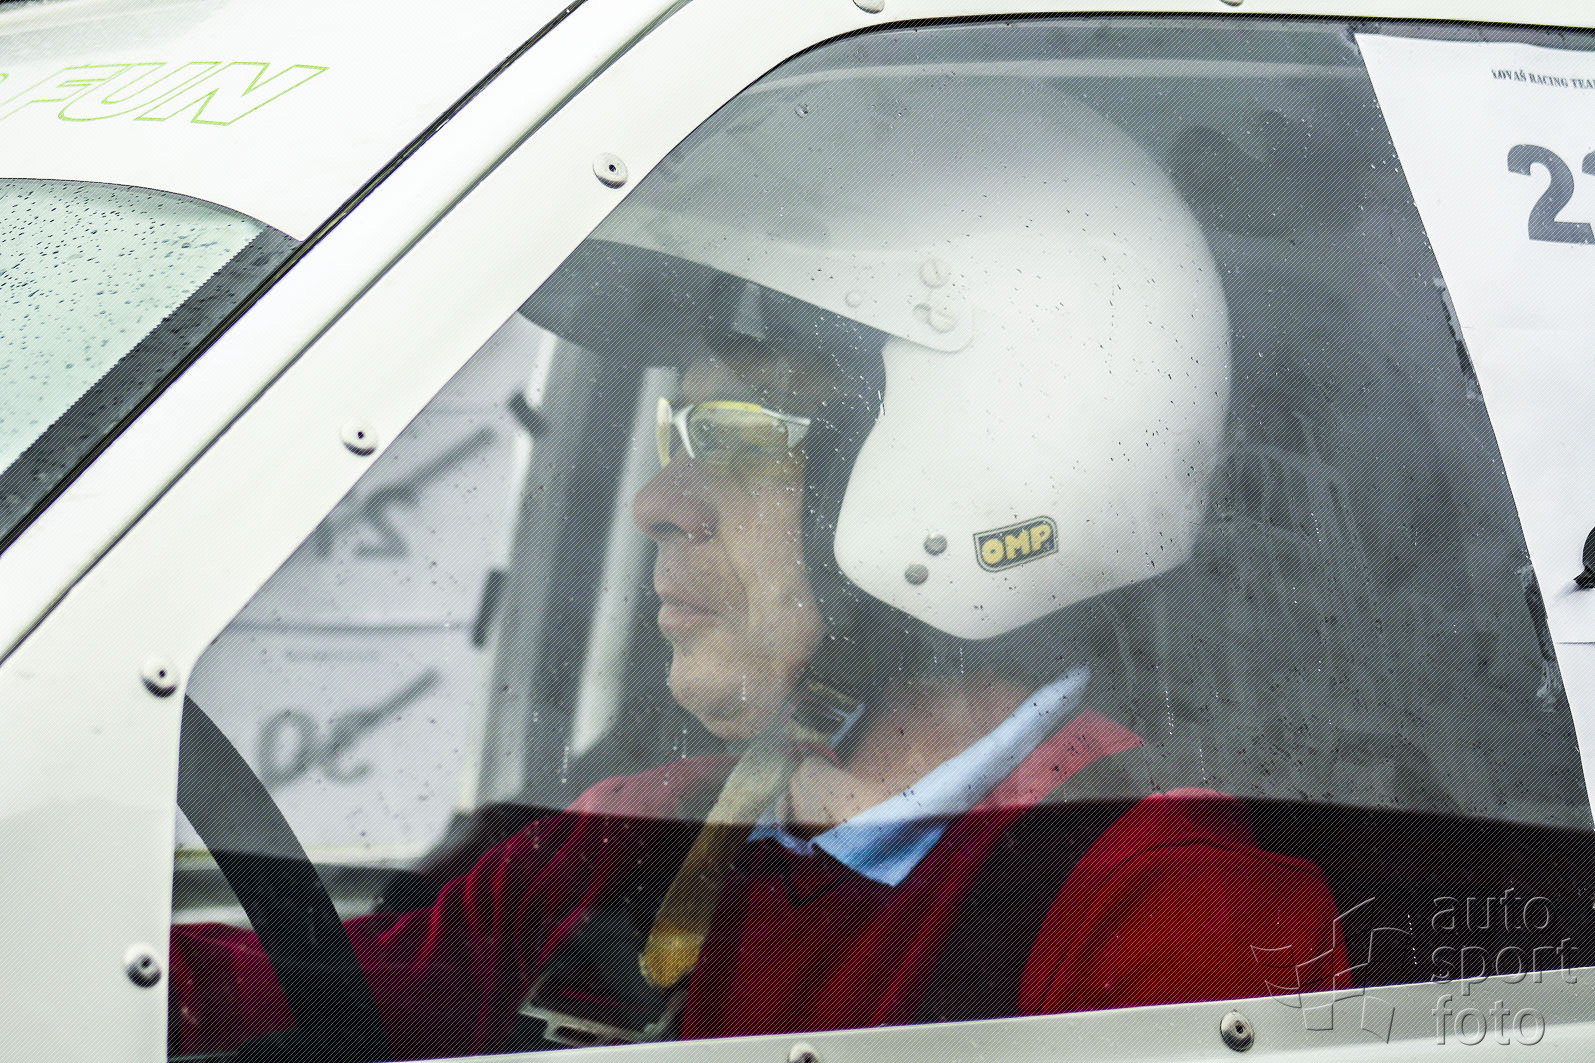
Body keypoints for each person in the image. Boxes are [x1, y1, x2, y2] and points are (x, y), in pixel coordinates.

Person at [169, 74, 1349, 1058]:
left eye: (735, 440)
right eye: (674, 434)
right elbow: (282, 993)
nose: (657, 504)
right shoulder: (625, 846)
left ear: (976, 469)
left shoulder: (1170, 921)